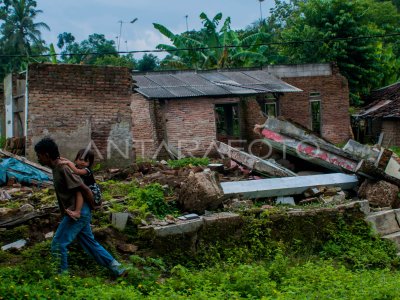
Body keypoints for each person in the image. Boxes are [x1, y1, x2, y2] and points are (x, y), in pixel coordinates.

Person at [34, 137, 126, 276]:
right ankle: (117, 268)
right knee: (89, 243)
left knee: (58, 244)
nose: (38, 159)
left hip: (79, 212)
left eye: (39, 155)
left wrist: (91, 207)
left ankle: (61, 279)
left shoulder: (62, 168)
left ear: (46, 155)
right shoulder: (57, 166)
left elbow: (83, 189)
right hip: (79, 211)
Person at [60, 149, 102, 220]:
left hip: (93, 193)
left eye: (86, 161)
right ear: (76, 160)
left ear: (89, 163)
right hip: (87, 190)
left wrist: (67, 163)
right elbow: (69, 162)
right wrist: (59, 158)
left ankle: (77, 212)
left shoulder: (86, 170)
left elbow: (77, 171)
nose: (83, 162)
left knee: (78, 191)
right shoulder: (76, 166)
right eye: (81, 159)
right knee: (78, 189)